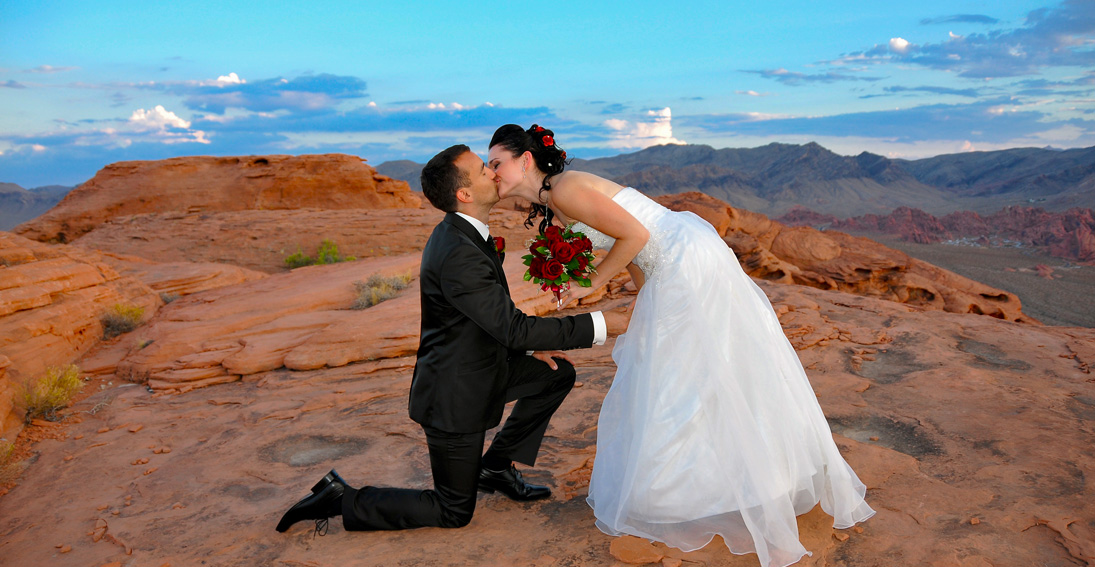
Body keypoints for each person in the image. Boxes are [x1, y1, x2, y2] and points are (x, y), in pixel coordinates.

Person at [487, 124, 875, 567]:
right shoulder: (556, 204)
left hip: (682, 261)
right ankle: (733, 482)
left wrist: (590, 284)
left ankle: (706, 489)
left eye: (496, 162)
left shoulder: (566, 189)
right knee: (695, 367)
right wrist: (642, 305)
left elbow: (638, 237)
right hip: (673, 265)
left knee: (689, 371)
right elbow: (631, 248)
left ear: (525, 160)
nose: (491, 171)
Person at [276, 144, 631, 535]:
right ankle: (340, 498)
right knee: (453, 511)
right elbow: (511, 327)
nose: (494, 173)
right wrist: (603, 323)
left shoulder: (466, 234)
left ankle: (494, 468)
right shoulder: (458, 251)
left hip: (483, 369)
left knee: (555, 373)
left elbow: (494, 322)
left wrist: (530, 348)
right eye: (483, 170)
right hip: (454, 396)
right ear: (463, 194)